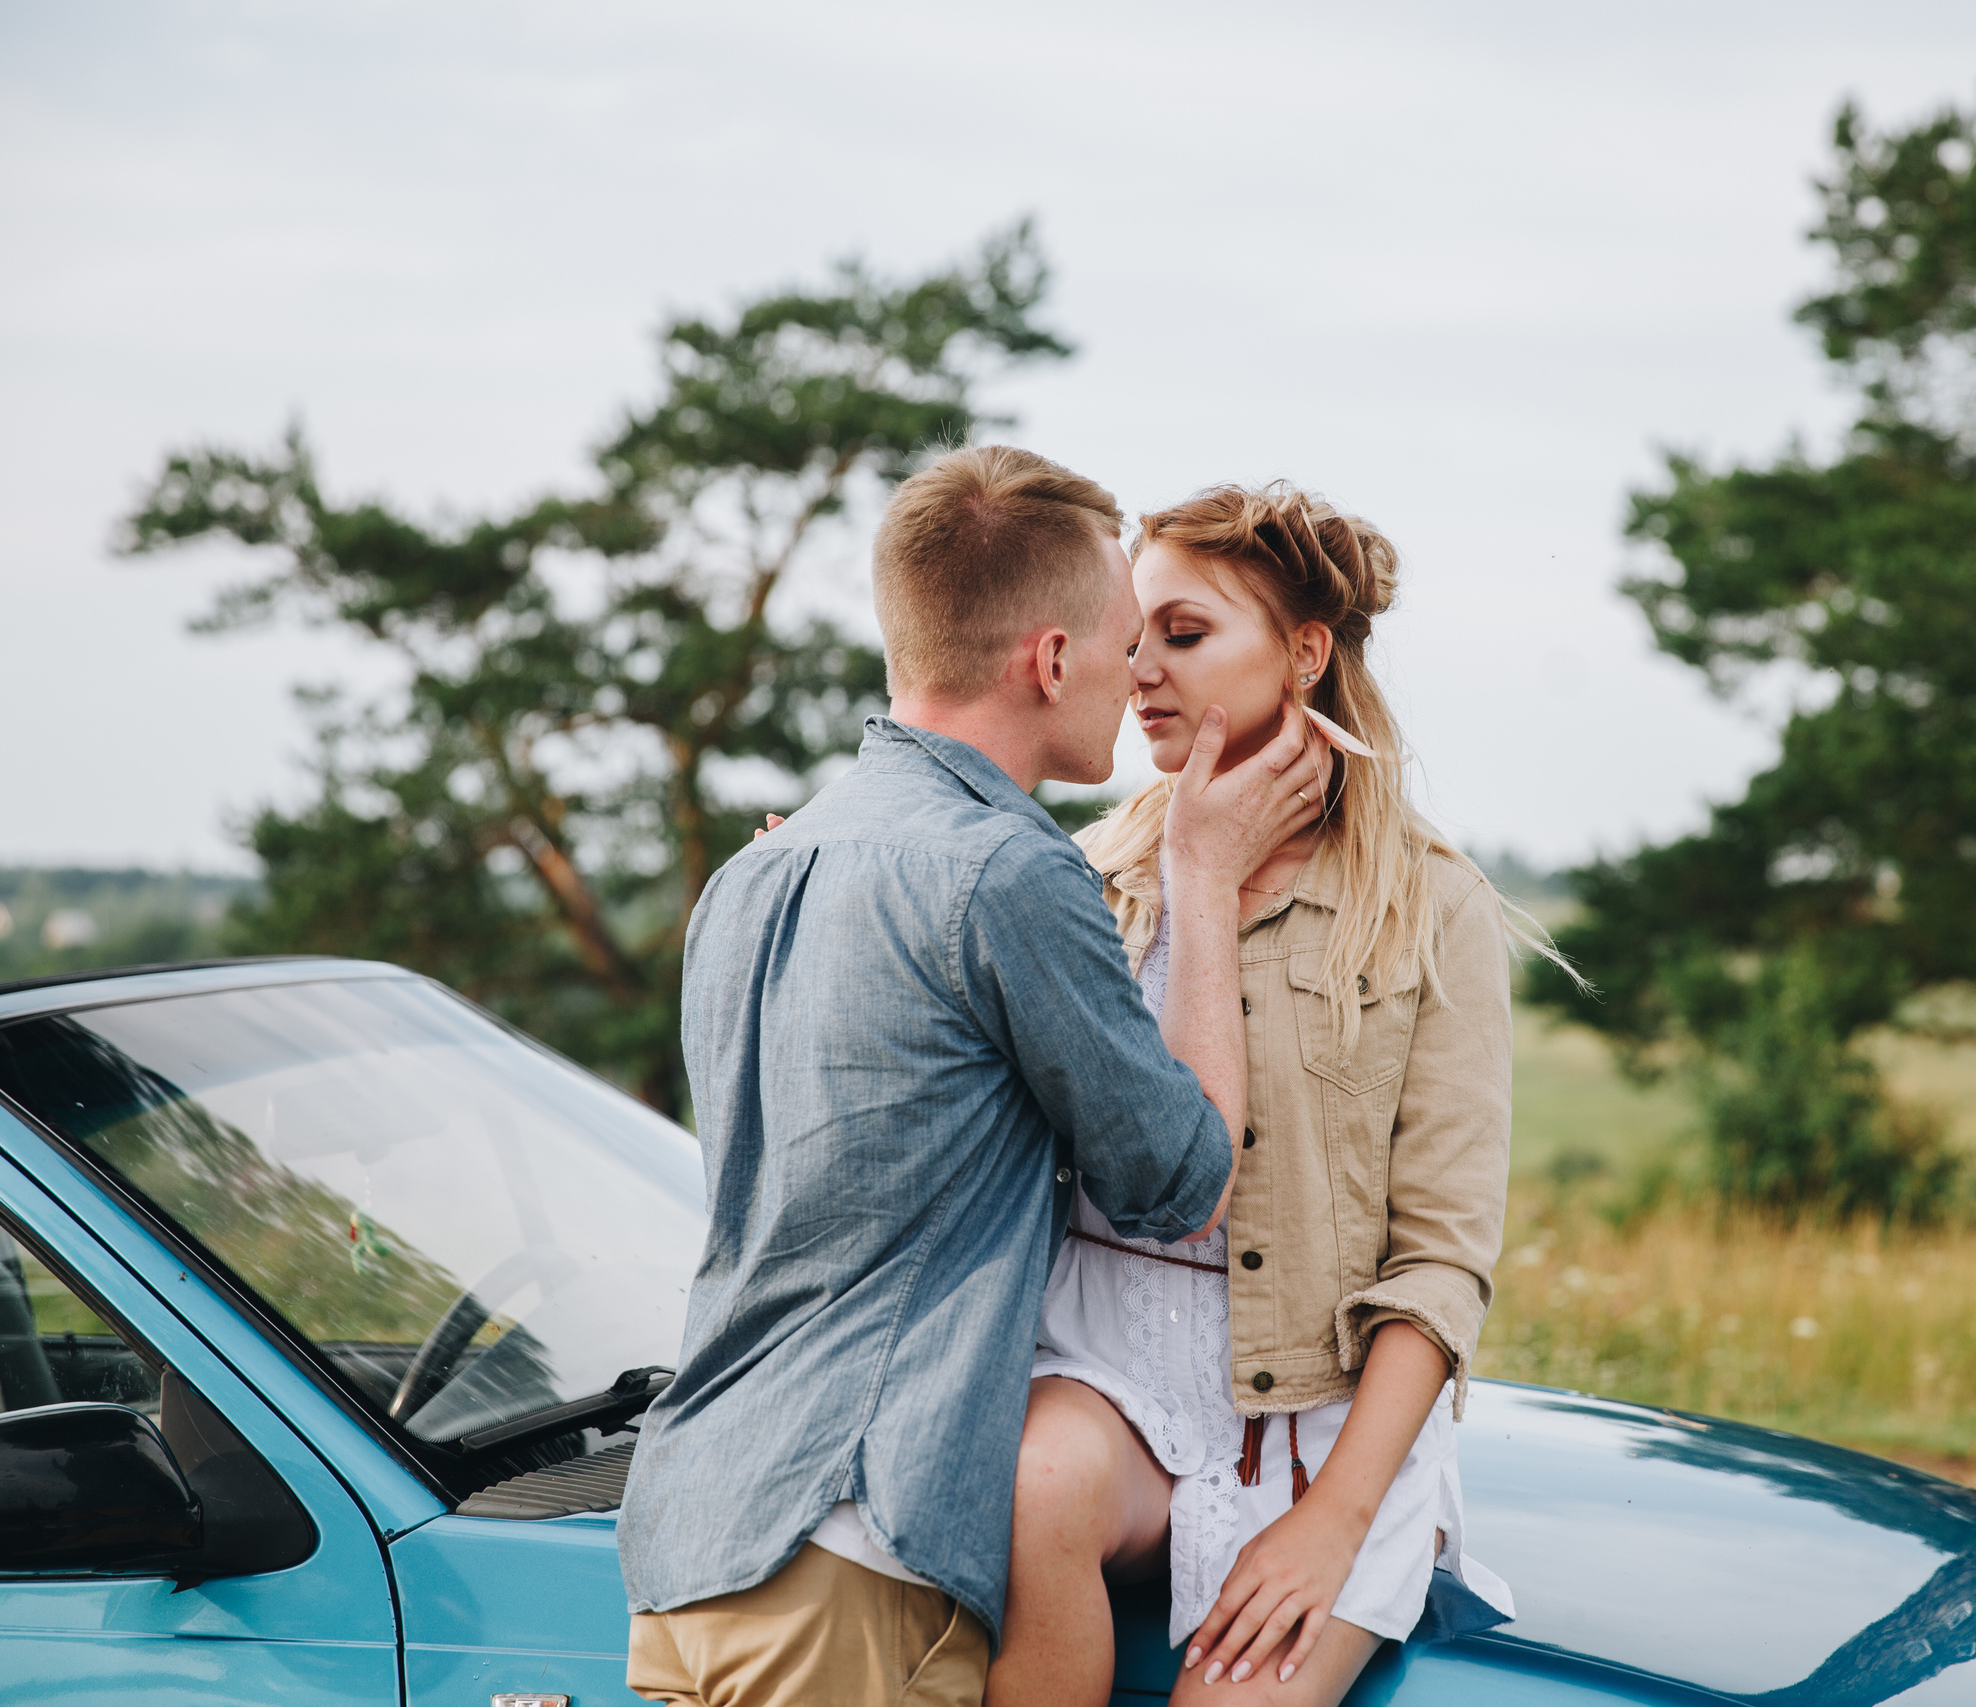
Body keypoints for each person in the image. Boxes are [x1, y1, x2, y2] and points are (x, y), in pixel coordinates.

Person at [618, 447, 1330, 1707]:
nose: (1136, 676)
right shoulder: (1006, 869)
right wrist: (1204, 883)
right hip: (849, 1548)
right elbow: (1183, 1179)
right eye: (1119, 643)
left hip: (694, 1539)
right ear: (1050, 660)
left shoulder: (753, 877)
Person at [988, 484, 1531, 1707]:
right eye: (1133, 640)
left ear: (1303, 652)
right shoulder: (1079, 876)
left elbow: (1441, 1261)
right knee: (1026, 1488)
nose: (1140, 673)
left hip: (1315, 1424)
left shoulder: (1428, 906)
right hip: (1102, 1378)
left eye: (1183, 637)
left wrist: (1335, 1520)